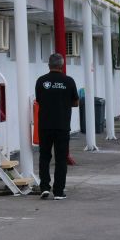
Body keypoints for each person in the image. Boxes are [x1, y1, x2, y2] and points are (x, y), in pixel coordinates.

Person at [35, 53, 79, 200]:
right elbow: (75, 102)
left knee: (44, 157)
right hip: (62, 126)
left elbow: (39, 100)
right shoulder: (69, 81)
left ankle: (44, 188)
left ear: (49, 65)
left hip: (45, 125)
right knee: (61, 158)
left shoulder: (41, 81)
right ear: (62, 65)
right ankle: (59, 191)